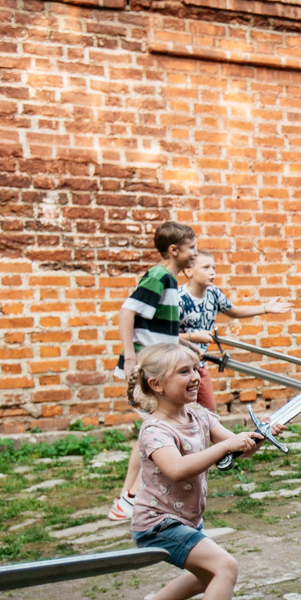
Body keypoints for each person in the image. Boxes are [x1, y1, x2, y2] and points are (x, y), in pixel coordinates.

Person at [123, 343, 282, 600]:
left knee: (206, 575)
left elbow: (235, 450)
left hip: (184, 519)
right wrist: (225, 445)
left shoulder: (200, 415)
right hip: (157, 523)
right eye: (184, 372)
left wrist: (259, 437)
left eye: (195, 369)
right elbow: (177, 469)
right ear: (156, 385)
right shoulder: (155, 430)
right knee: (224, 567)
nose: (195, 377)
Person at [107, 222, 198, 522]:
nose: (195, 254)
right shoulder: (158, 276)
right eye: (192, 248)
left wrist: (184, 347)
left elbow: (158, 330)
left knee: (151, 429)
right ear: (174, 250)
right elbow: (127, 312)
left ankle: (131, 497)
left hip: (161, 366)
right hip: (150, 371)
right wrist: (132, 359)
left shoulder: (169, 281)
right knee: (152, 429)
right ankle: (130, 498)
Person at [178, 252, 293, 411]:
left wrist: (266, 308)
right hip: (177, 367)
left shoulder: (213, 293)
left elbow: (234, 311)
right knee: (183, 414)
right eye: (206, 267)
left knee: (209, 413)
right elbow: (164, 336)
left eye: (214, 268)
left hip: (199, 365)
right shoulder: (178, 298)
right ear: (188, 271)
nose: (212, 272)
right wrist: (193, 337)